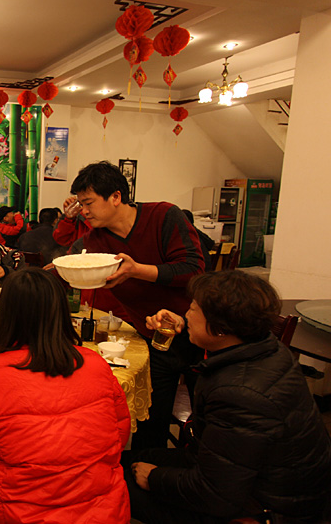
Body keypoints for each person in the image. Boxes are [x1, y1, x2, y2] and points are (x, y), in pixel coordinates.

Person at [126, 270, 331, 524]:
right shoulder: (265, 348)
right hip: (243, 478)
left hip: (271, 510)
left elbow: (216, 495)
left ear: (221, 328)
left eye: (193, 309)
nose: (186, 314)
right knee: (121, 460)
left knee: (105, 481)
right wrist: (182, 331)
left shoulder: (241, 394)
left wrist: (155, 479)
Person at [0, 268, 131, 523]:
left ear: (5, 316)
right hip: (107, 514)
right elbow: (120, 435)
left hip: (25, 516)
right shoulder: (97, 364)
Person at [60, 161, 205, 450]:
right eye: (80, 204)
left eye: (88, 203)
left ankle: (198, 470)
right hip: (151, 337)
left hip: (198, 334)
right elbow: (61, 272)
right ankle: (147, 470)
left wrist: (136, 270)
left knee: (209, 420)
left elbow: (193, 269)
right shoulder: (95, 241)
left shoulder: (163, 216)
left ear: (115, 196)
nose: (84, 211)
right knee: (151, 420)